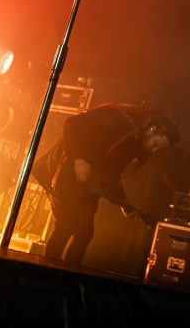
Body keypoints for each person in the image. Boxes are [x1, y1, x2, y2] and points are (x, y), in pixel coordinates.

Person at [32, 103, 180, 265]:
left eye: (158, 150)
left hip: (85, 185)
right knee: (66, 226)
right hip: (65, 175)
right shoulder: (114, 118)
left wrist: (124, 202)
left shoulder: (132, 145)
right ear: (152, 129)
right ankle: (45, 272)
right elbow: (72, 124)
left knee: (84, 234)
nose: (153, 150)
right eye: (155, 144)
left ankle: (65, 275)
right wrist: (78, 159)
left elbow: (111, 176)